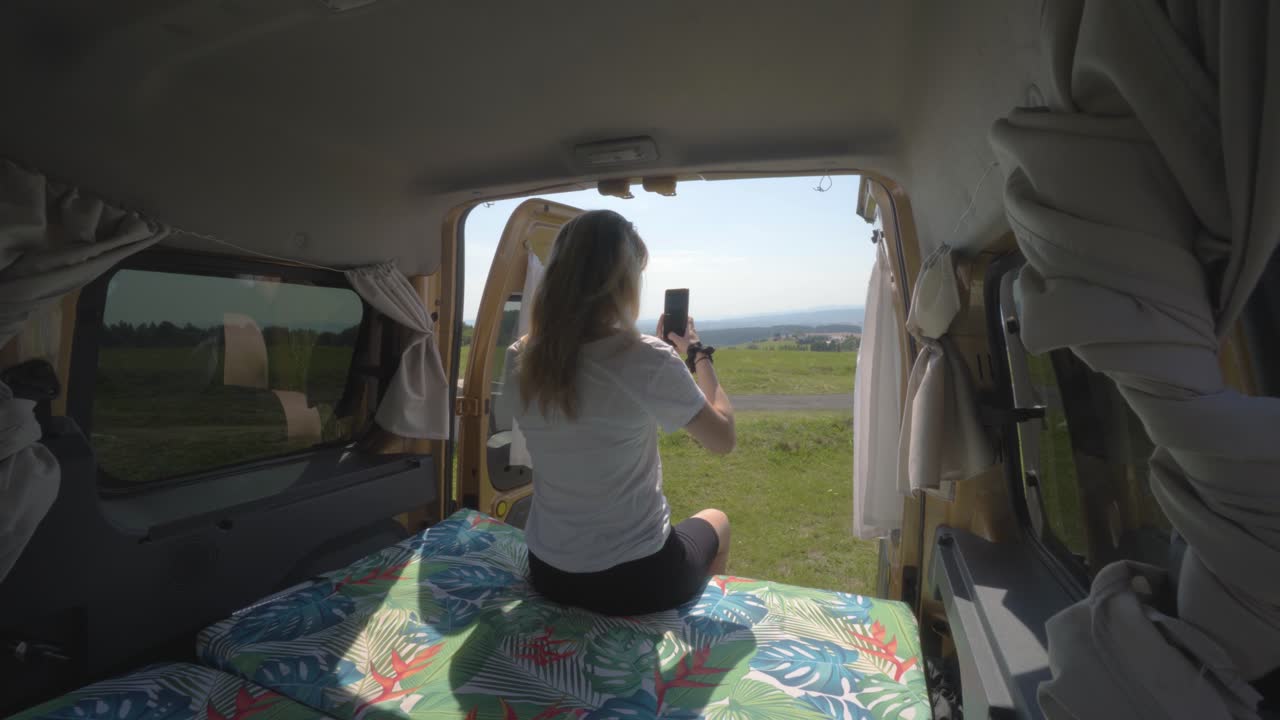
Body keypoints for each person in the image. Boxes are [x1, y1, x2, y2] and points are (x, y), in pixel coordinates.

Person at [500, 209, 736, 616]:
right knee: (718, 520)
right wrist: (698, 355)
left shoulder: (520, 356)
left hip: (550, 572)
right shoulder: (646, 357)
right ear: (623, 282)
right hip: (639, 579)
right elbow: (723, 439)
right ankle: (689, 630)